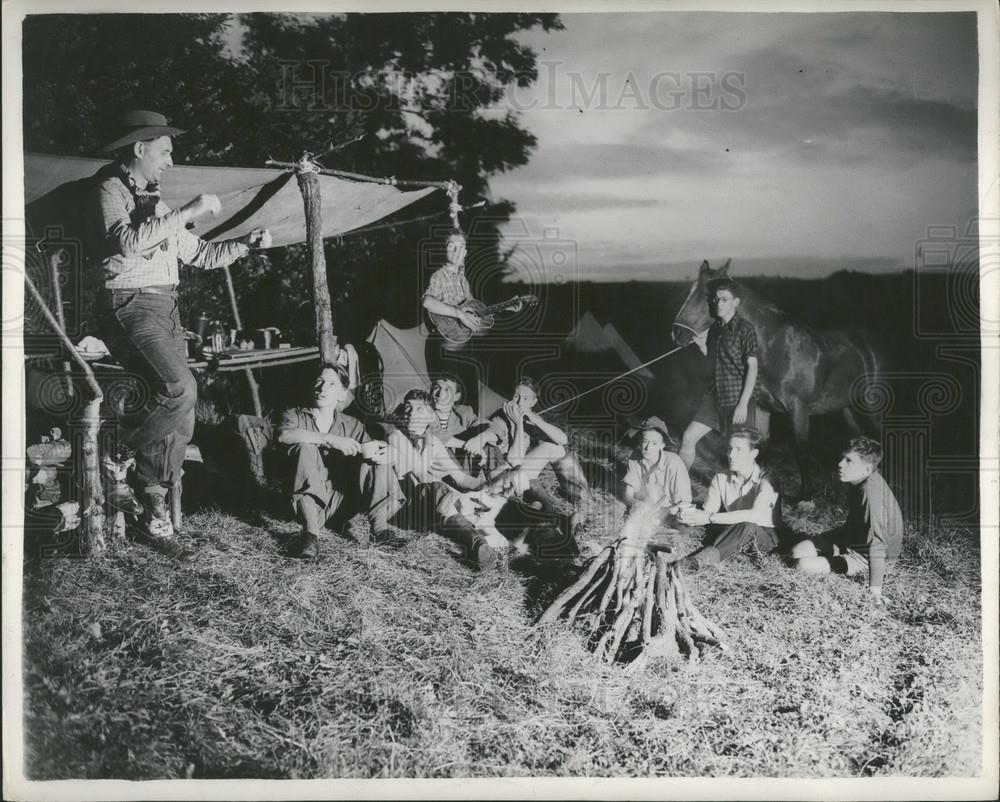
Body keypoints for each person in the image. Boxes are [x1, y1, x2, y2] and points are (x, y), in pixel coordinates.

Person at [89, 109, 270, 560]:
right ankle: (114, 451)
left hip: (167, 308)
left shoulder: (161, 204)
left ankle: (154, 516)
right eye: (166, 150)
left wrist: (245, 244)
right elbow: (126, 242)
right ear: (140, 148)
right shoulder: (110, 188)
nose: (171, 159)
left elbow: (201, 254)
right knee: (178, 388)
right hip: (129, 303)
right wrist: (189, 211)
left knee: (182, 417)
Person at [368, 389, 498, 569]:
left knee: (458, 497)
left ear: (431, 416)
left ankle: (477, 548)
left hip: (426, 505)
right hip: (401, 507)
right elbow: (422, 476)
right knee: (438, 489)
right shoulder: (396, 436)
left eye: (420, 409)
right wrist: (457, 495)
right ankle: (475, 542)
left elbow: (460, 478)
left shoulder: (432, 441)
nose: (412, 413)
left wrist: (490, 487)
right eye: (408, 407)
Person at [276, 362, 388, 559]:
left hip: (341, 502)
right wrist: (330, 439)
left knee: (376, 460)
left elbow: (374, 453)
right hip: (303, 504)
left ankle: (380, 531)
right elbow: (283, 435)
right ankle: (310, 536)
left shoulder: (352, 424)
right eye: (319, 382)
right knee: (304, 447)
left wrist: (385, 451)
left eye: (331, 384)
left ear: (342, 394)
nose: (322, 388)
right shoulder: (294, 414)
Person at [789, 437, 903, 603]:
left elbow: (878, 543)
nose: (840, 464)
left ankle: (841, 561)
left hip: (867, 557)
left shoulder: (871, 494)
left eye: (849, 461)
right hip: (852, 540)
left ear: (867, 469)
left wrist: (875, 590)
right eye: (843, 458)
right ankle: (836, 554)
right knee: (797, 550)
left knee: (802, 566)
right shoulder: (861, 479)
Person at [464, 377, 592, 505]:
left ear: (533, 402)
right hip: (505, 476)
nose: (519, 403)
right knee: (521, 472)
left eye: (525, 399)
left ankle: (580, 494)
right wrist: (518, 423)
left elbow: (563, 440)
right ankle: (542, 505)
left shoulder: (529, 419)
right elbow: (514, 460)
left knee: (555, 448)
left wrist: (534, 418)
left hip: (522, 472)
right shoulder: (501, 417)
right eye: (516, 396)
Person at [679, 278, 760, 470]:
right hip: (715, 398)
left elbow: (753, 367)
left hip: (737, 400)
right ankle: (679, 491)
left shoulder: (745, 329)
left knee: (740, 455)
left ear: (736, 302)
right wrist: (701, 346)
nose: (718, 304)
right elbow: (716, 363)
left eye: (724, 299)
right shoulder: (716, 328)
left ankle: (743, 496)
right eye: (716, 300)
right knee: (688, 438)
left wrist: (743, 403)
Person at [677, 427, 780, 570]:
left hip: (763, 538)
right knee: (688, 527)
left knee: (747, 527)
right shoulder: (721, 478)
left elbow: (754, 516)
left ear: (754, 453)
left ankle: (697, 562)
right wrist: (690, 516)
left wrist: (709, 517)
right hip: (731, 530)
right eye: (729, 449)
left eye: (739, 450)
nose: (731, 455)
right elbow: (708, 512)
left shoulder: (768, 479)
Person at [621, 416, 692, 515]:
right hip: (646, 508)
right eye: (645, 441)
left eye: (654, 443)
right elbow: (628, 494)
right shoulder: (635, 458)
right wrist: (635, 503)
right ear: (640, 441)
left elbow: (685, 502)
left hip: (670, 511)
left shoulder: (674, 463)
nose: (647, 448)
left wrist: (664, 514)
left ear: (662, 445)